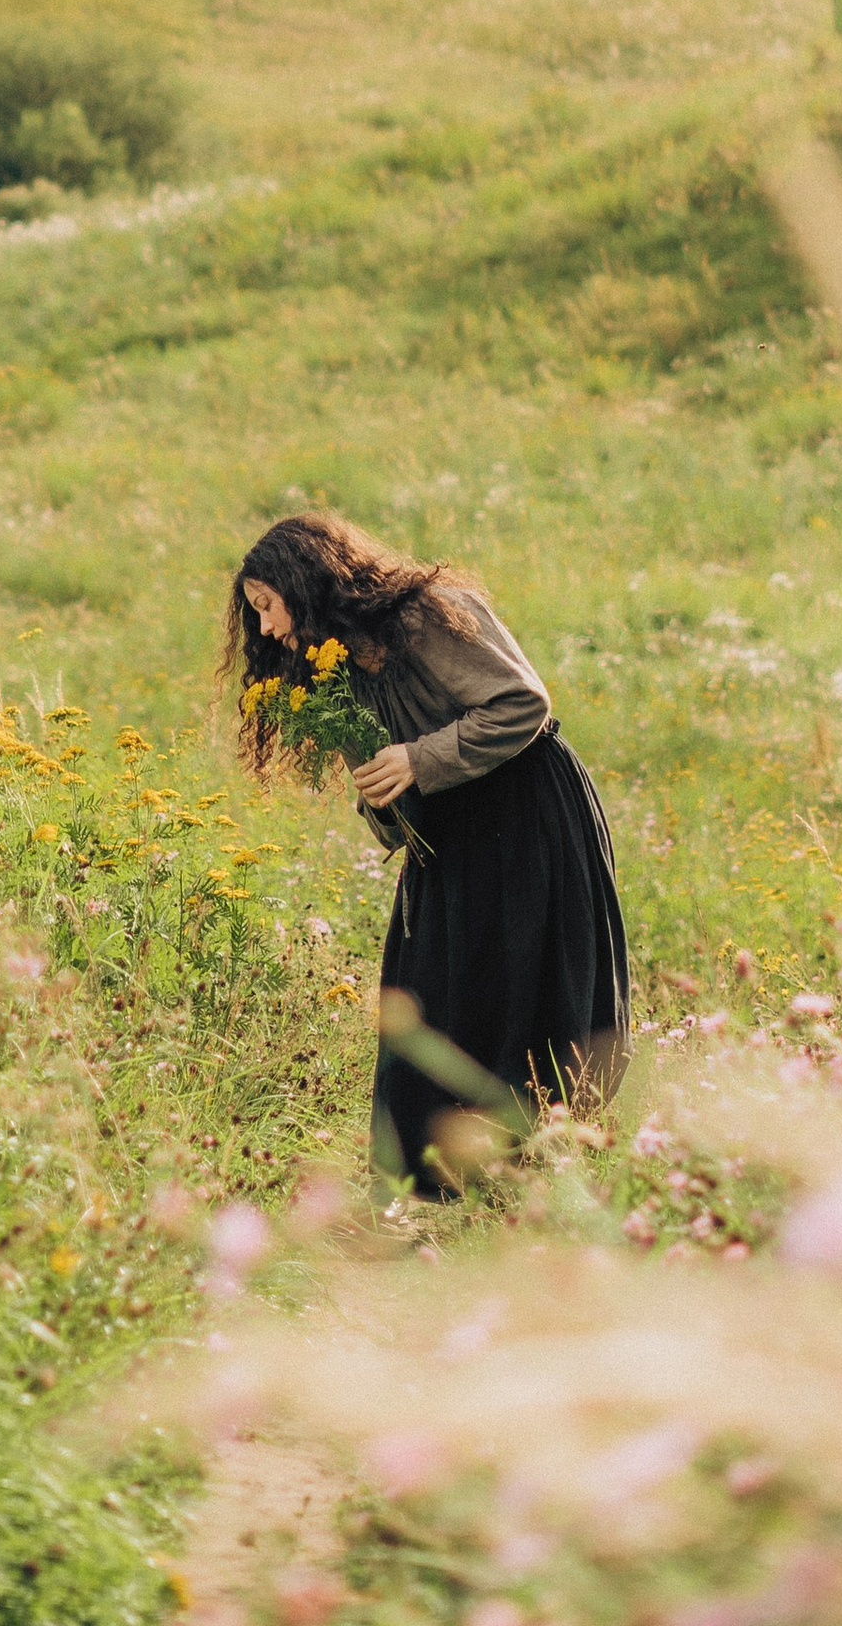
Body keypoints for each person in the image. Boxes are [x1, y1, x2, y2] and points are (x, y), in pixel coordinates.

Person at [224, 510, 629, 1191]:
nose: (265, 629)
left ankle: (528, 1173)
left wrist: (419, 759)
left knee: (523, 989)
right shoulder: (337, 665)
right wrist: (385, 799)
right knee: (428, 998)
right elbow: (387, 795)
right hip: (451, 838)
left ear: (307, 581)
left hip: (526, 814)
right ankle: (426, 1187)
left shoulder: (427, 616)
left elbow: (522, 704)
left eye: (267, 607)